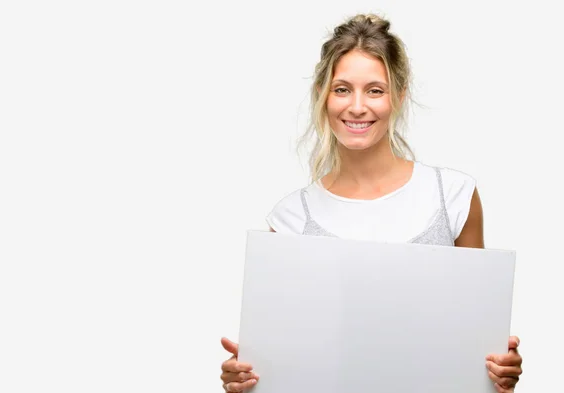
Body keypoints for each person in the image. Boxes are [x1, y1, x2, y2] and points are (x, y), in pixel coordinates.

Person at [219, 13, 523, 393]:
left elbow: (477, 351)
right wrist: (244, 379)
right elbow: (281, 366)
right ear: (321, 94)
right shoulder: (291, 219)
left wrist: (498, 371)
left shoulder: (455, 197)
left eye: (375, 90)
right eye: (342, 89)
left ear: (399, 95)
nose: (357, 107)